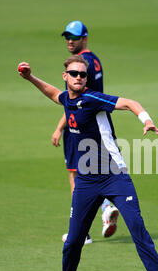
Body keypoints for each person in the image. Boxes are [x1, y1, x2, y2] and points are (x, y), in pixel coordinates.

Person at [17, 55, 158, 271]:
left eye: (83, 74)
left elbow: (130, 103)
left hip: (115, 176)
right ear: (65, 76)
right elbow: (53, 94)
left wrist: (146, 120)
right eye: (74, 73)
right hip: (86, 182)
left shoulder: (92, 98)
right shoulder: (67, 100)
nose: (79, 77)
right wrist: (30, 78)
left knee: (137, 227)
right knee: (73, 240)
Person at [51, 20, 119, 244]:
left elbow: (75, 101)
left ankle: (82, 232)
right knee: (92, 174)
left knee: (77, 179)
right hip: (96, 124)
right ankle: (106, 208)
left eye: (74, 37)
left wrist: (60, 127)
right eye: (67, 37)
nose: (70, 40)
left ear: (85, 38)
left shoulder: (80, 65)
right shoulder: (94, 60)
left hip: (80, 125)